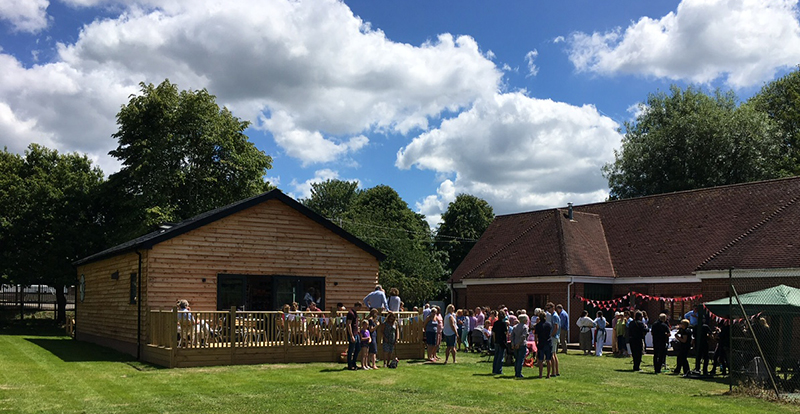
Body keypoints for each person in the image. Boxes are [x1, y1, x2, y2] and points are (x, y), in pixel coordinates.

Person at [534, 312, 553, 378]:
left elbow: (536, 336)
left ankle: (540, 374)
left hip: (541, 343)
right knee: (548, 359)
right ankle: (548, 374)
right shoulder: (549, 324)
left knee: (540, 360)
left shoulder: (538, 325)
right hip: (548, 342)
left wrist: (536, 343)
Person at [510, 314, 529, 378]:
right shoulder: (525, 327)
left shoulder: (515, 327)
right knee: (521, 359)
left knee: (517, 359)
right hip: (522, 345)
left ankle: (516, 372)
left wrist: (513, 344)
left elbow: (512, 336)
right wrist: (519, 343)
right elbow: (523, 336)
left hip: (515, 344)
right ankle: (518, 373)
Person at [345, 302, 362, 370]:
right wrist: (351, 335)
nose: (360, 309)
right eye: (359, 307)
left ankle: (354, 363)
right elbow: (349, 324)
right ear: (357, 306)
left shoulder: (355, 313)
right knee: (351, 349)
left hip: (356, 333)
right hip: (352, 334)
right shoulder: (350, 313)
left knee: (358, 348)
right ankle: (350, 365)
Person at [545, 302, 560, 376]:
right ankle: (557, 371)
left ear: (553, 307)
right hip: (555, 336)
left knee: (551, 354)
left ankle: (553, 372)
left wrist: (551, 335)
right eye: (547, 308)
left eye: (549, 308)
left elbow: (556, 327)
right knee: (554, 354)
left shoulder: (554, 316)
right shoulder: (553, 315)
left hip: (553, 337)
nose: (548, 310)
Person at [492, 310, 508, 375]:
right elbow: (506, 333)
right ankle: (499, 370)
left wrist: (494, 340)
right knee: (501, 356)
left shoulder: (495, 323)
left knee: (496, 356)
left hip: (497, 341)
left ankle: (494, 369)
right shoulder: (503, 324)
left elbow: (493, 333)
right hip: (502, 341)